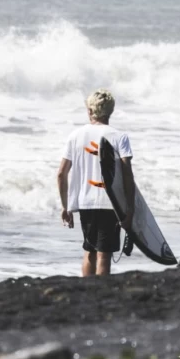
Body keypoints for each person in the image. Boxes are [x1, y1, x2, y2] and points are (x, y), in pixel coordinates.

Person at [57, 89, 134, 276]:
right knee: (104, 255)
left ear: (89, 111)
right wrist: (130, 209)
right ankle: (101, 292)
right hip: (111, 204)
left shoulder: (75, 136)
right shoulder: (119, 136)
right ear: (111, 111)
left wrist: (65, 207)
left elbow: (61, 174)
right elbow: (127, 175)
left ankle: (87, 291)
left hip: (85, 203)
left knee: (89, 251)